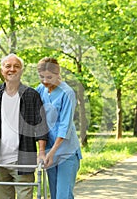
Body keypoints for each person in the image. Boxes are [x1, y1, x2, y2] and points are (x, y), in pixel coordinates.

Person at [0, 53, 48, 199]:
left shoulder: (31, 95)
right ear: (2, 70)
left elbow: (41, 126)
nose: (12, 69)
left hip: (24, 160)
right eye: (7, 66)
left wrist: (41, 152)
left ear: (21, 71)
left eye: (16, 66)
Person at [36, 57, 82, 199]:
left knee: (63, 195)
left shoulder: (67, 92)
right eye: (42, 77)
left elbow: (64, 126)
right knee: (54, 195)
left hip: (66, 151)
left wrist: (52, 152)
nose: (45, 81)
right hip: (49, 150)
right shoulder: (40, 89)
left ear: (58, 74)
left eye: (49, 77)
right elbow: (23, 97)